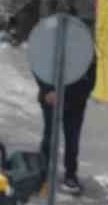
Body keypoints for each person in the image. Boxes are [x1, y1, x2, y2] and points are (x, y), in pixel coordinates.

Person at [34, 16, 96, 195]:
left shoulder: (87, 52)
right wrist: (47, 91)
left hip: (75, 102)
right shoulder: (50, 47)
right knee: (49, 137)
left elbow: (90, 81)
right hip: (52, 100)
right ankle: (43, 173)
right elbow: (39, 67)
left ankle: (70, 175)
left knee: (72, 139)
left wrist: (67, 94)